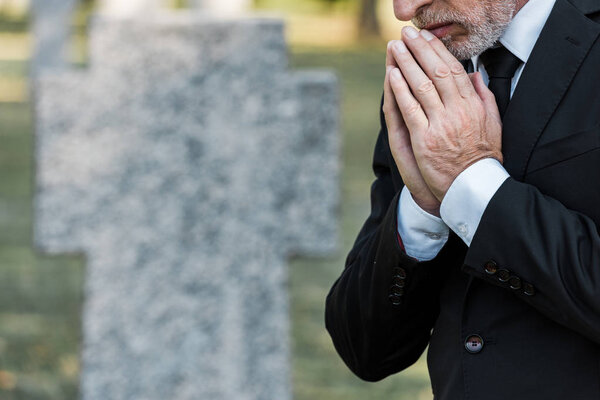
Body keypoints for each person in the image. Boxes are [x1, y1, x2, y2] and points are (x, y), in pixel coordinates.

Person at [325, 0, 600, 397]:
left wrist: (471, 183)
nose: (404, 10)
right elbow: (365, 350)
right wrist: (422, 213)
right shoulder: (429, 76)